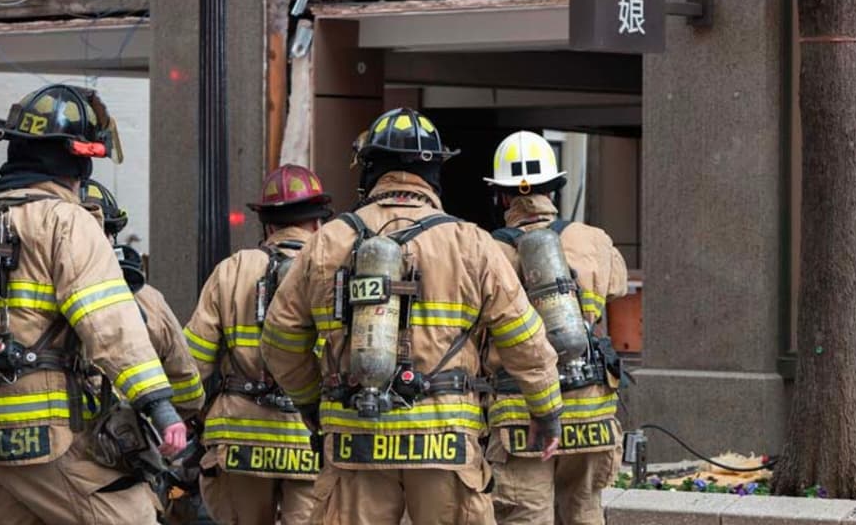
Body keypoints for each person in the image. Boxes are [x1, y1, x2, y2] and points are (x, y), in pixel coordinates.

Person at [260, 108, 564, 525]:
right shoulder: (470, 242)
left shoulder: (328, 241)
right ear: (435, 172)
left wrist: (312, 401)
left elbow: (279, 339)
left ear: (370, 169)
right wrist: (546, 411)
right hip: (444, 442)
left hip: (355, 435)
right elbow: (524, 337)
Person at [0, 84, 186, 525]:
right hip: (42, 435)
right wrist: (159, 405)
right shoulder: (65, 220)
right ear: (77, 159)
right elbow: (109, 322)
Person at [482, 131, 628, 525]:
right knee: (583, 514)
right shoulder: (594, 239)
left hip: (522, 415)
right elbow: (615, 288)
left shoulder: (488, 252)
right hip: (591, 414)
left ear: (501, 197)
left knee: (527, 517)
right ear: (555, 190)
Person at [183, 164, 334, 525]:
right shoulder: (332, 272)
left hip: (237, 437)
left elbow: (193, 361)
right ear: (317, 224)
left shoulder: (232, 270)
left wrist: (177, 417)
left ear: (267, 225)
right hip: (309, 437)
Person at [82, 180, 205, 417]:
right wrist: (161, 418)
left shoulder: (29, 297)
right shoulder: (148, 301)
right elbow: (188, 388)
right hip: (124, 441)